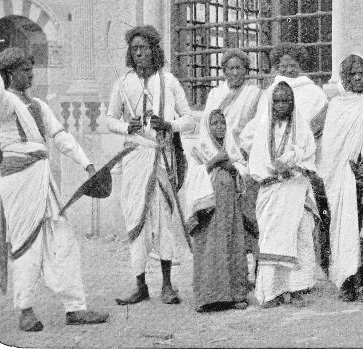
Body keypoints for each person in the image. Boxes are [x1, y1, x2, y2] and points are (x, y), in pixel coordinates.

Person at [0, 42, 108, 332]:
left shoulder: (39, 105)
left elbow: (61, 138)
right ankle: (25, 310)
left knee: (64, 241)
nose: (31, 74)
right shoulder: (4, 103)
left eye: (31, 69)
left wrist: (87, 164)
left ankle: (75, 308)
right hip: (18, 183)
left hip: (43, 182)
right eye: (25, 70)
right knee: (27, 245)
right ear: (11, 73)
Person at [106, 25, 195, 305]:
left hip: (161, 156)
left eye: (143, 48)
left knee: (163, 220)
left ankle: (167, 285)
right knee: (135, 219)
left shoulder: (168, 81)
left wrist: (169, 125)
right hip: (135, 157)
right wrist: (127, 127)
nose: (139, 53)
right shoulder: (123, 83)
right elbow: (110, 120)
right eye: (134, 49)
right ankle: (140, 285)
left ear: (154, 50)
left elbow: (189, 120)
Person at [241, 43, 330, 276]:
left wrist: (298, 148)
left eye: (293, 64)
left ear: (301, 65)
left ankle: (301, 279)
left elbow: (320, 127)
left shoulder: (314, 92)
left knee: (302, 225)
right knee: (271, 226)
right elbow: (259, 126)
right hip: (272, 169)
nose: (288, 69)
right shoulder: (271, 92)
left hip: (302, 167)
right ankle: (271, 277)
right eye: (283, 64)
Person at [319, 54, 363, 303]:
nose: (359, 78)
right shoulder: (337, 106)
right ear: (345, 78)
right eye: (353, 74)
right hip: (343, 179)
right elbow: (330, 148)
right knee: (346, 230)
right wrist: (347, 167)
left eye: (362, 73)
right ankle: (348, 281)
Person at [246, 80, 319, 308]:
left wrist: (295, 165)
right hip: (272, 191)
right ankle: (271, 292)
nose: (281, 105)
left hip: (296, 190)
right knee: (271, 240)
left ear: (292, 102)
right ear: (271, 103)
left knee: (300, 236)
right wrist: (273, 174)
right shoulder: (262, 127)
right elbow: (256, 162)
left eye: (286, 100)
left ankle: (296, 289)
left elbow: (310, 155)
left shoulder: (301, 126)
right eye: (277, 101)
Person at [203, 49, 262, 283]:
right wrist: (217, 154)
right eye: (230, 68)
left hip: (245, 157)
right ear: (224, 71)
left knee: (249, 213)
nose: (234, 72)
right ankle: (226, 271)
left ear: (246, 71)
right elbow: (207, 127)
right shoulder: (215, 94)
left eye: (239, 68)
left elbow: (259, 126)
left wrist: (243, 149)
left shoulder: (254, 94)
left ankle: (253, 267)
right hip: (219, 155)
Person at [185, 109, 250, 312]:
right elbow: (192, 177)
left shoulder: (231, 147)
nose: (219, 127)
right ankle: (209, 298)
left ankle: (236, 295)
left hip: (229, 209)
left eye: (222, 123)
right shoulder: (199, 150)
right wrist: (213, 162)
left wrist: (232, 168)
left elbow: (243, 171)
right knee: (210, 249)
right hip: (209, 212)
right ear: (207, 127)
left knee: (232, 246)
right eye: (214, 123)